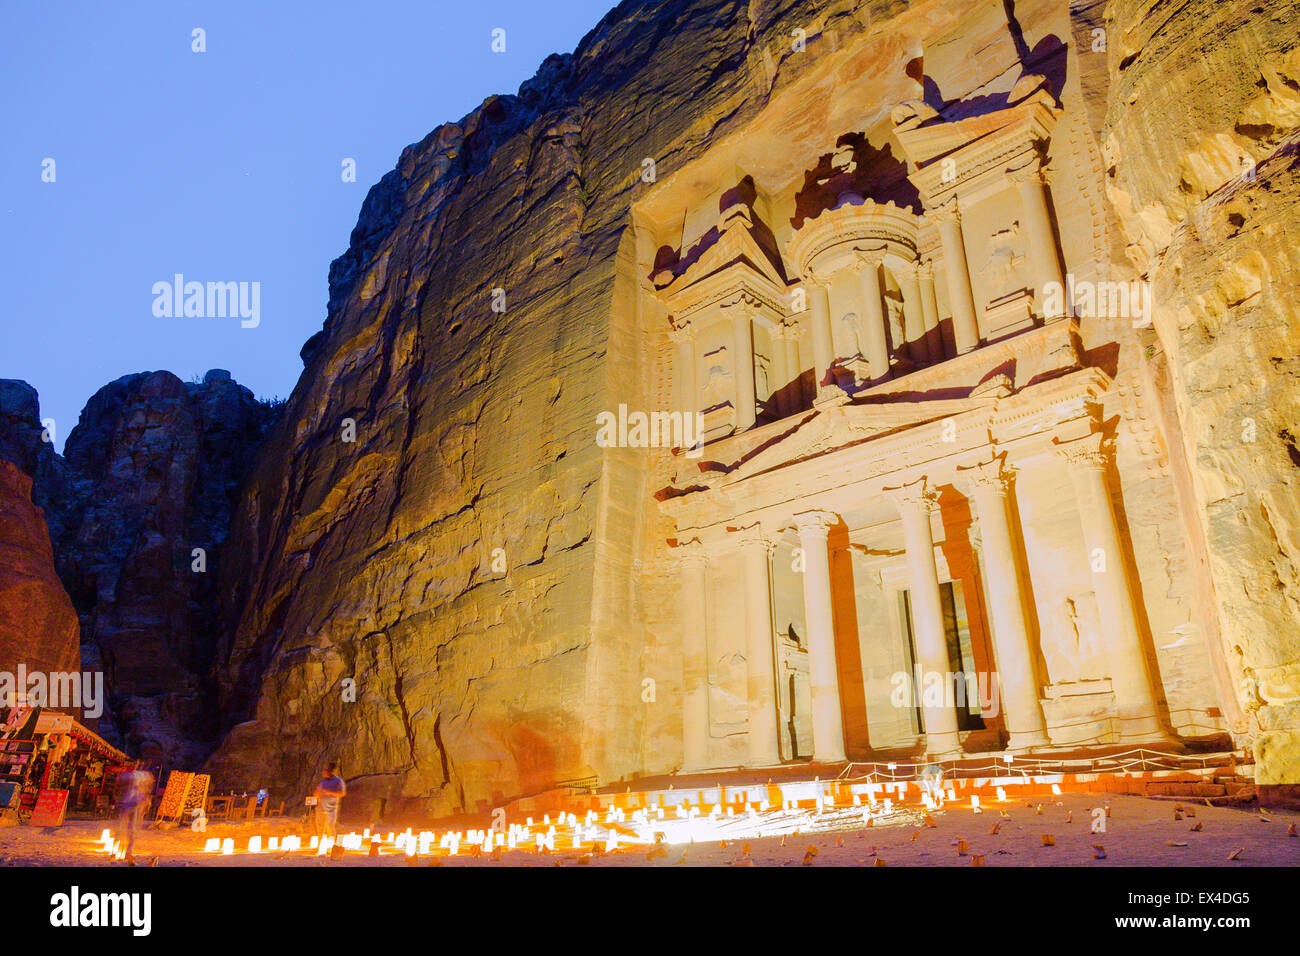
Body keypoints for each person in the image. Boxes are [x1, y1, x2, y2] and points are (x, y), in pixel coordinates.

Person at [114, 762, 155, 864]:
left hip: (131, 804)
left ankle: (124, 850)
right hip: (132, 804)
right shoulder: (142, 777)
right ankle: (124, 850)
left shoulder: (130, 777)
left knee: (127, 827)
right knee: (128, 828)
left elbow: (119, 789)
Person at [313, 762, 346, 838]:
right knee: (320, 827)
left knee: (330, 826)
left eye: (326, 770)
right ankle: (320, 845)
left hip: (331, 809)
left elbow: (342, 793)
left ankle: (331, 845)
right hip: (321, 807)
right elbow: (317, 793)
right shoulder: (323, 781)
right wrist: (317, 794)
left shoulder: (338, 781)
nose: (324, 772)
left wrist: (329, 792)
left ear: (331, 771)